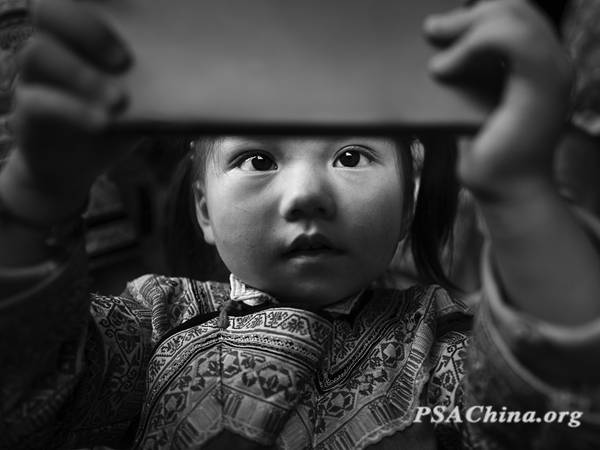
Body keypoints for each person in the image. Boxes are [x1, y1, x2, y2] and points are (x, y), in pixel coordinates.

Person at [1, 0, 599, 449]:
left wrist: (522, 195)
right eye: (258, 160)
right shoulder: (151, 324)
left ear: (407, 204)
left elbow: (550, 416)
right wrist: (35, 200)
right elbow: (28, 396)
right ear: (204, 208)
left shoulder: (444, 342)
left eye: (351, 156)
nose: (308, 195)